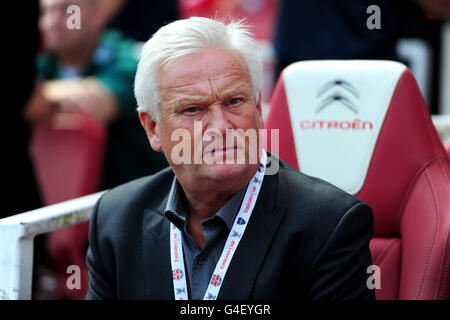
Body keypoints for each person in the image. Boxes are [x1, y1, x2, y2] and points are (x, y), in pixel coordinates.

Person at [85, 17, 375, 300]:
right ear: (153, 128)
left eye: (234, 102)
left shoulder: (329, 225)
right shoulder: (115, 221)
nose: (221, 127)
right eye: (193, 110)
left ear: (259, 109)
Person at [25, 0, 168, 191]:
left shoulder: (129, 59)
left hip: (139, 199)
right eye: (45, 12)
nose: (51, 22)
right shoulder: (43, 66)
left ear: (97, 16)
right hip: (65, 202)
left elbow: (97, 103)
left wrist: (35, 98)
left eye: (67, 11)